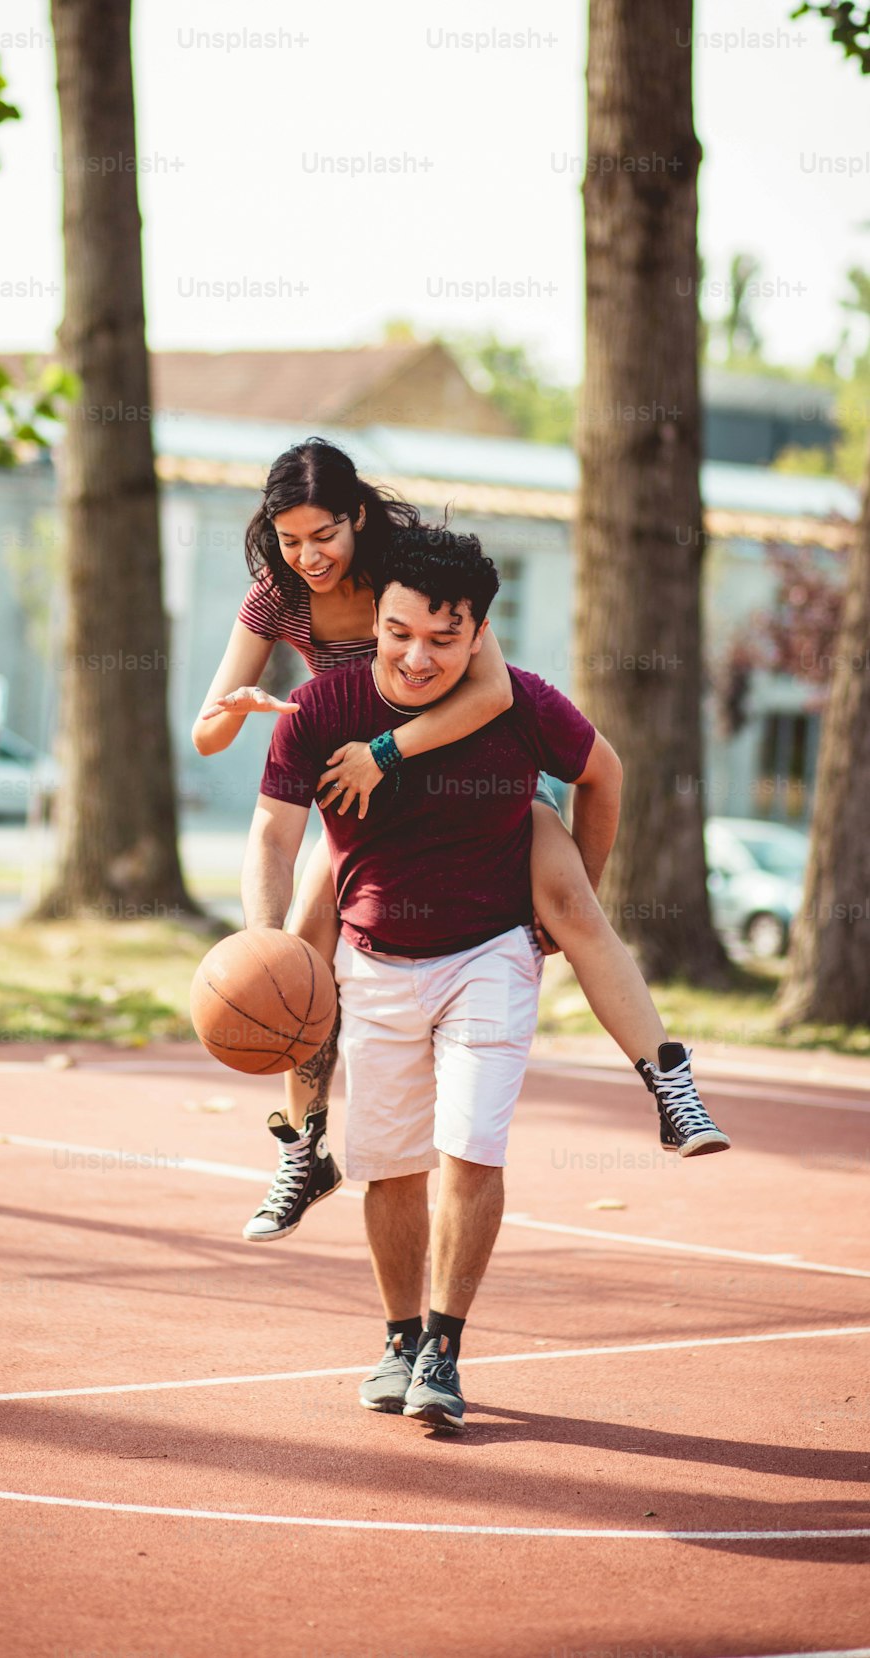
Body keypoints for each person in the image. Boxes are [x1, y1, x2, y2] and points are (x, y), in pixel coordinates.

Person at [240, 529, 729, 1429]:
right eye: (398, 633)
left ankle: (444, 1348)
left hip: (491, 957)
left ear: (479, 636)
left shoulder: (522, 705)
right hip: (374, 962)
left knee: (471, 1150)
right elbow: (273, 834)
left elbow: (603, 773)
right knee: (391, 1169)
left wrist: (577, 881)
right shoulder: (322, 709)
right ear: (376, 619)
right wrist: (259, 940)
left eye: (443, 638)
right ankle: (394, 1331)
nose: (417, 656)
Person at [193, 438, 728, 1246]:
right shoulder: (276, 596)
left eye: (324, 535)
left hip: (460, 770)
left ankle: (670, 1082)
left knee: (575, 905)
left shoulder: (411, 578)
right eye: (290, 537)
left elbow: (493, 693)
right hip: (360, 795)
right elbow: (207, 735)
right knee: (296, 950)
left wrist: (386, 751)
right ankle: (305, 1150)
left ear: (358, 517)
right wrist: (240, 706)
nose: (309, 555)